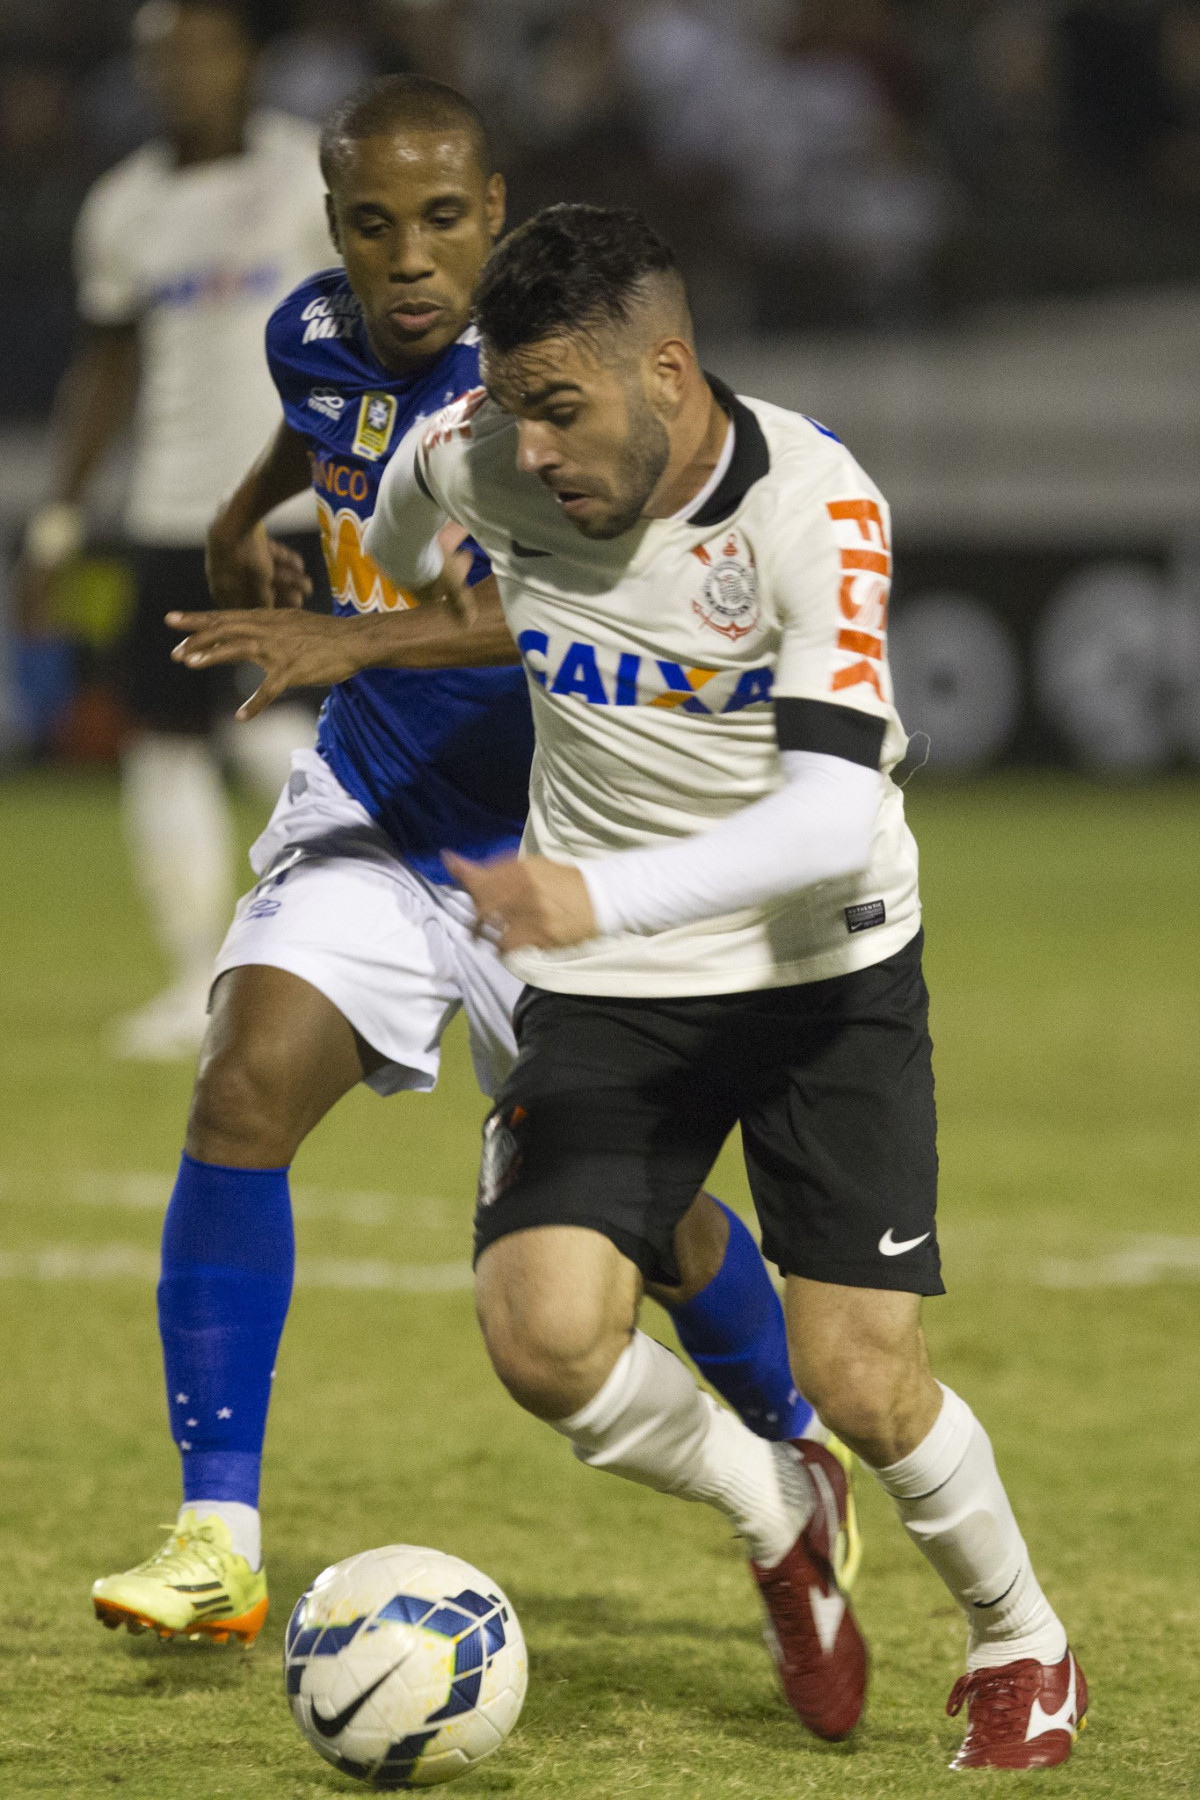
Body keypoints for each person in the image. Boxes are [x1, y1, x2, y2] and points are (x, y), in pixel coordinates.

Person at [92, 79, 837, 1653]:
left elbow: (581, 595)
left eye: (442, 221)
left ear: (496, 213)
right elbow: (321, 432)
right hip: (377, 803)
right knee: (240, 1085)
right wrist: (246, 524)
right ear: (335, 228)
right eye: (374, 225)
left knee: (652, 1219)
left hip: (568, 845)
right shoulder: (311, 331)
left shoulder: (556, 385)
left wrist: (345, 633)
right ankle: (217, 1533)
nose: (410, 258)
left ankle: (798, 1446)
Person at [358, 203, 1087, 1767]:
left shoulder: (815, 507)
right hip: (612, 986)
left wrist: (585, 890)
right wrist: (408, 559)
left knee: (866, 1379)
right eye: (517, 406)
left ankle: (1022, 1639)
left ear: (667, 373)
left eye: (565, 406)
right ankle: (776, 1503)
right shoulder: (480, 448)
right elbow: (397, 513)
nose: (535, 448)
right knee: (542, 1334)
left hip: (824, 968)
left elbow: (828, 814)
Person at [17, 0, 331, 1060]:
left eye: (202, 49)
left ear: (246, 56)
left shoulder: (309, 177)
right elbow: (103, 367)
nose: (182, 73)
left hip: (297, 508)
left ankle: (334, 959)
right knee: (163, 744)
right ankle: (197, 976)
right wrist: (58, 527)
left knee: (301, 735)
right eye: (163, 58)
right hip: (166, 514)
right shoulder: (125, 208)